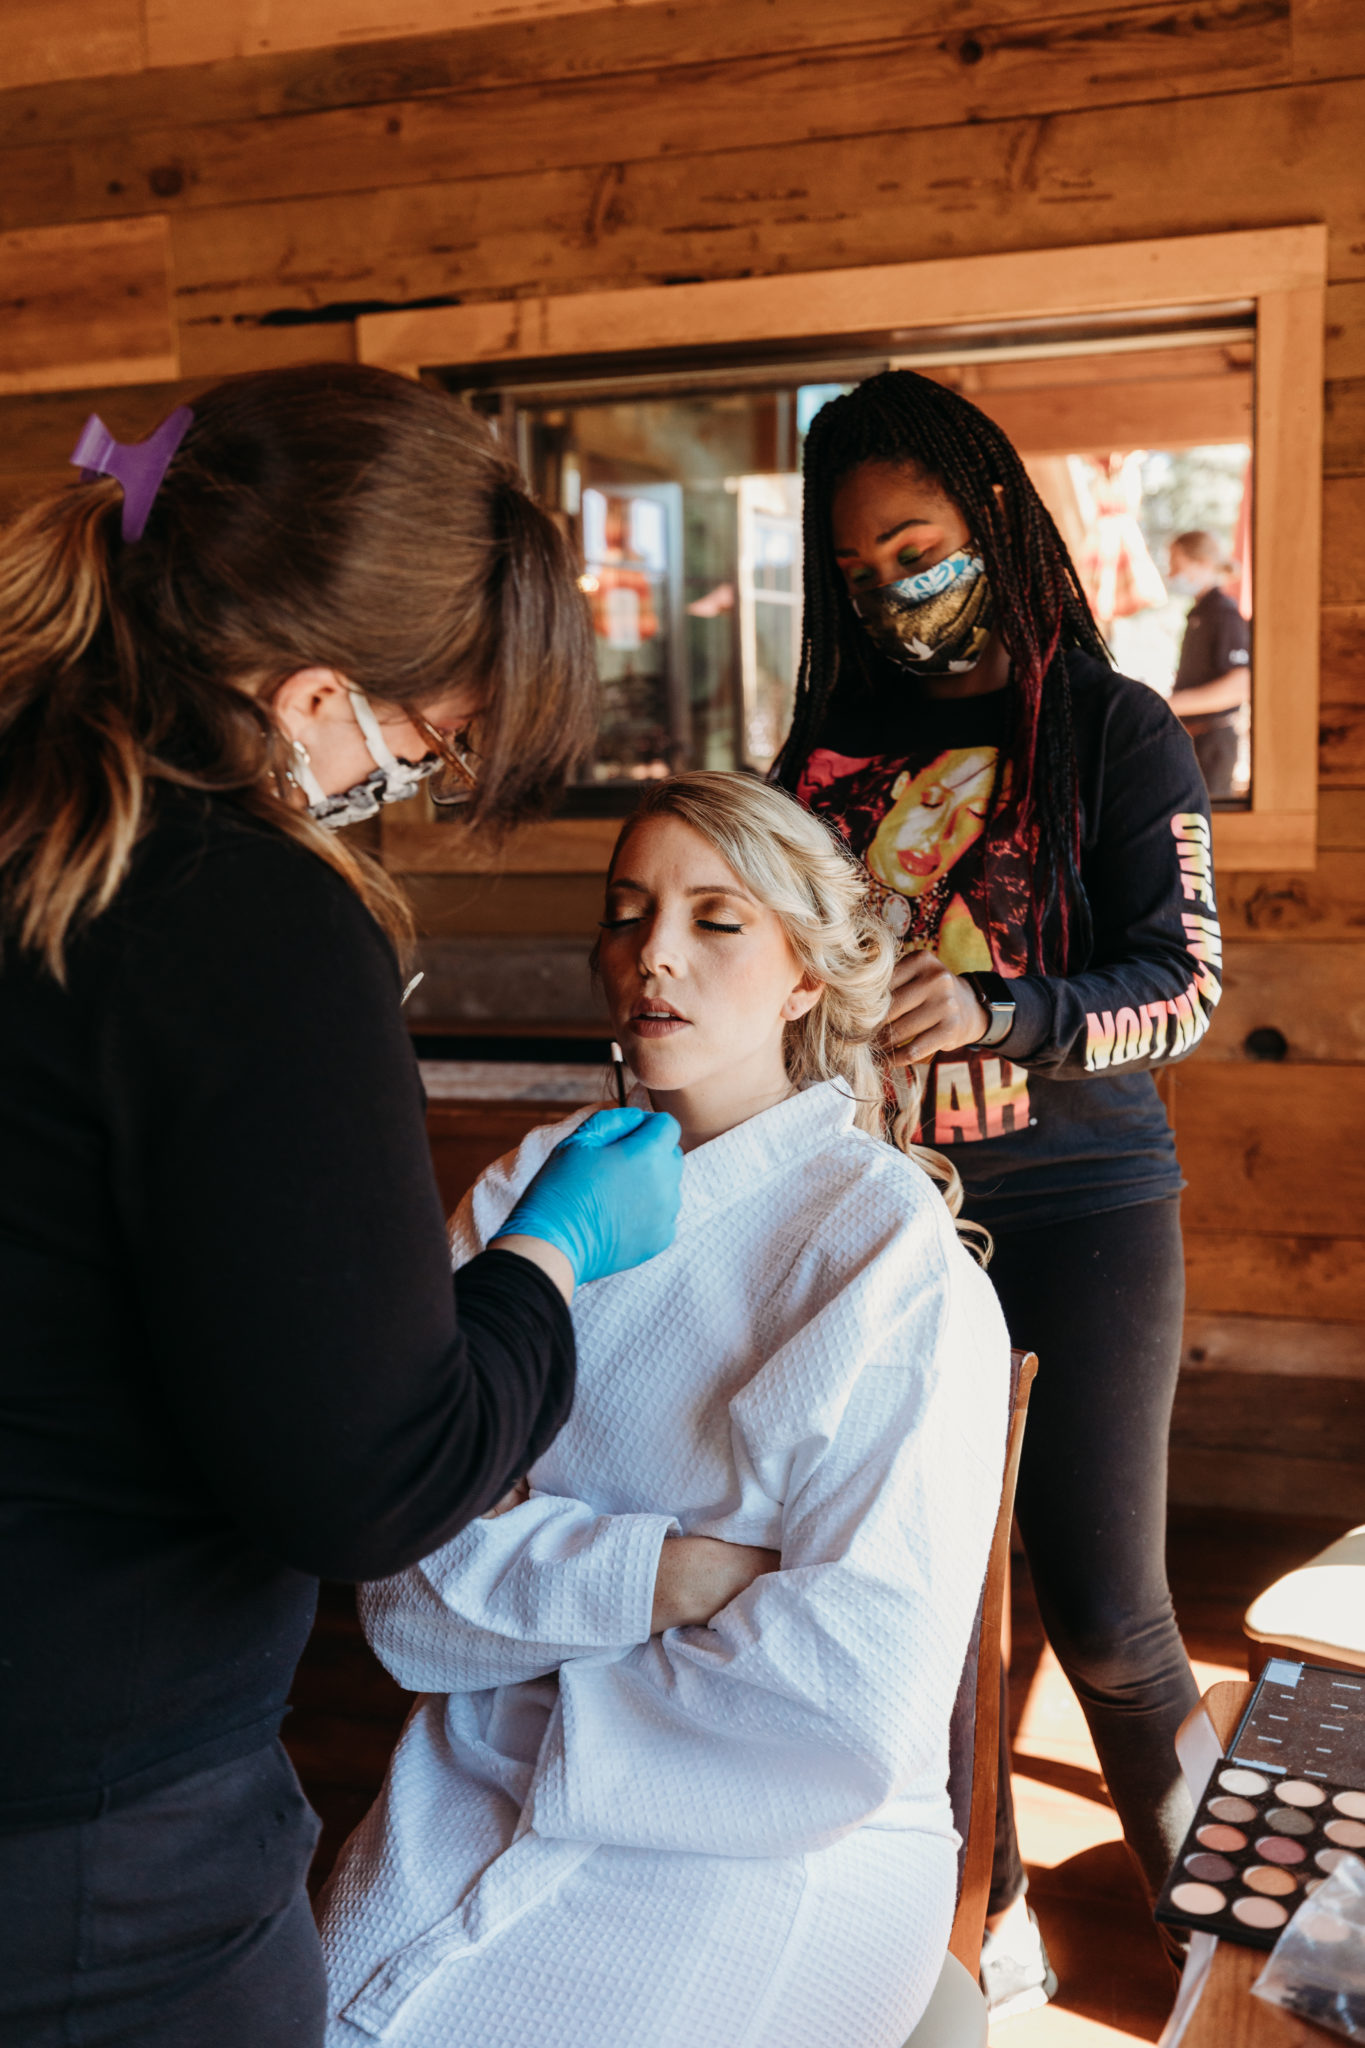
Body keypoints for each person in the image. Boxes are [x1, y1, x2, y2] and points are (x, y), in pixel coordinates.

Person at [0, 364, 684, 2048]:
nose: (404, 789)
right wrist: (546, 1261)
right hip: (82, 1828)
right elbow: (368, 1477)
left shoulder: (39, 822)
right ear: (314, 695)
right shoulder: (237, 913)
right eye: (426, 748)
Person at [318, 772, 1009, 2048]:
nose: (655, 954)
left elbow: (846, 1693)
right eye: (626, 913)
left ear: (805, 974)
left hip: (769, 1833)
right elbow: (405, 1583)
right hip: (469, 1774)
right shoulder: (531, 1190)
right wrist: (675, 1574)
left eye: (716, 919)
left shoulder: (881, 1253)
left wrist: (536, 1611)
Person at [775, 371, 1224, 2018]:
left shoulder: (1111, 727)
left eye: (916, 549)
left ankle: (1231, 1957)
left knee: (1108, 1617)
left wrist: (998, 1007)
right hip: (886, 1225)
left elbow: (1183, 988)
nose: (889, 588)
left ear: (994, 525)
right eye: (855, 568)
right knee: (927, 1621)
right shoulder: (817, 757)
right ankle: (985, 1924)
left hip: (1083, 1203)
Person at [1166, 528, 1251, 799]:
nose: (1171, 573)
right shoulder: (1199, 613)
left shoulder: (1223, 614)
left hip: (1213, 743)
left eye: (1177, 565)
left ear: (1202, 564)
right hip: (1194, 740)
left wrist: (1170, 704)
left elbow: (1240, 685)